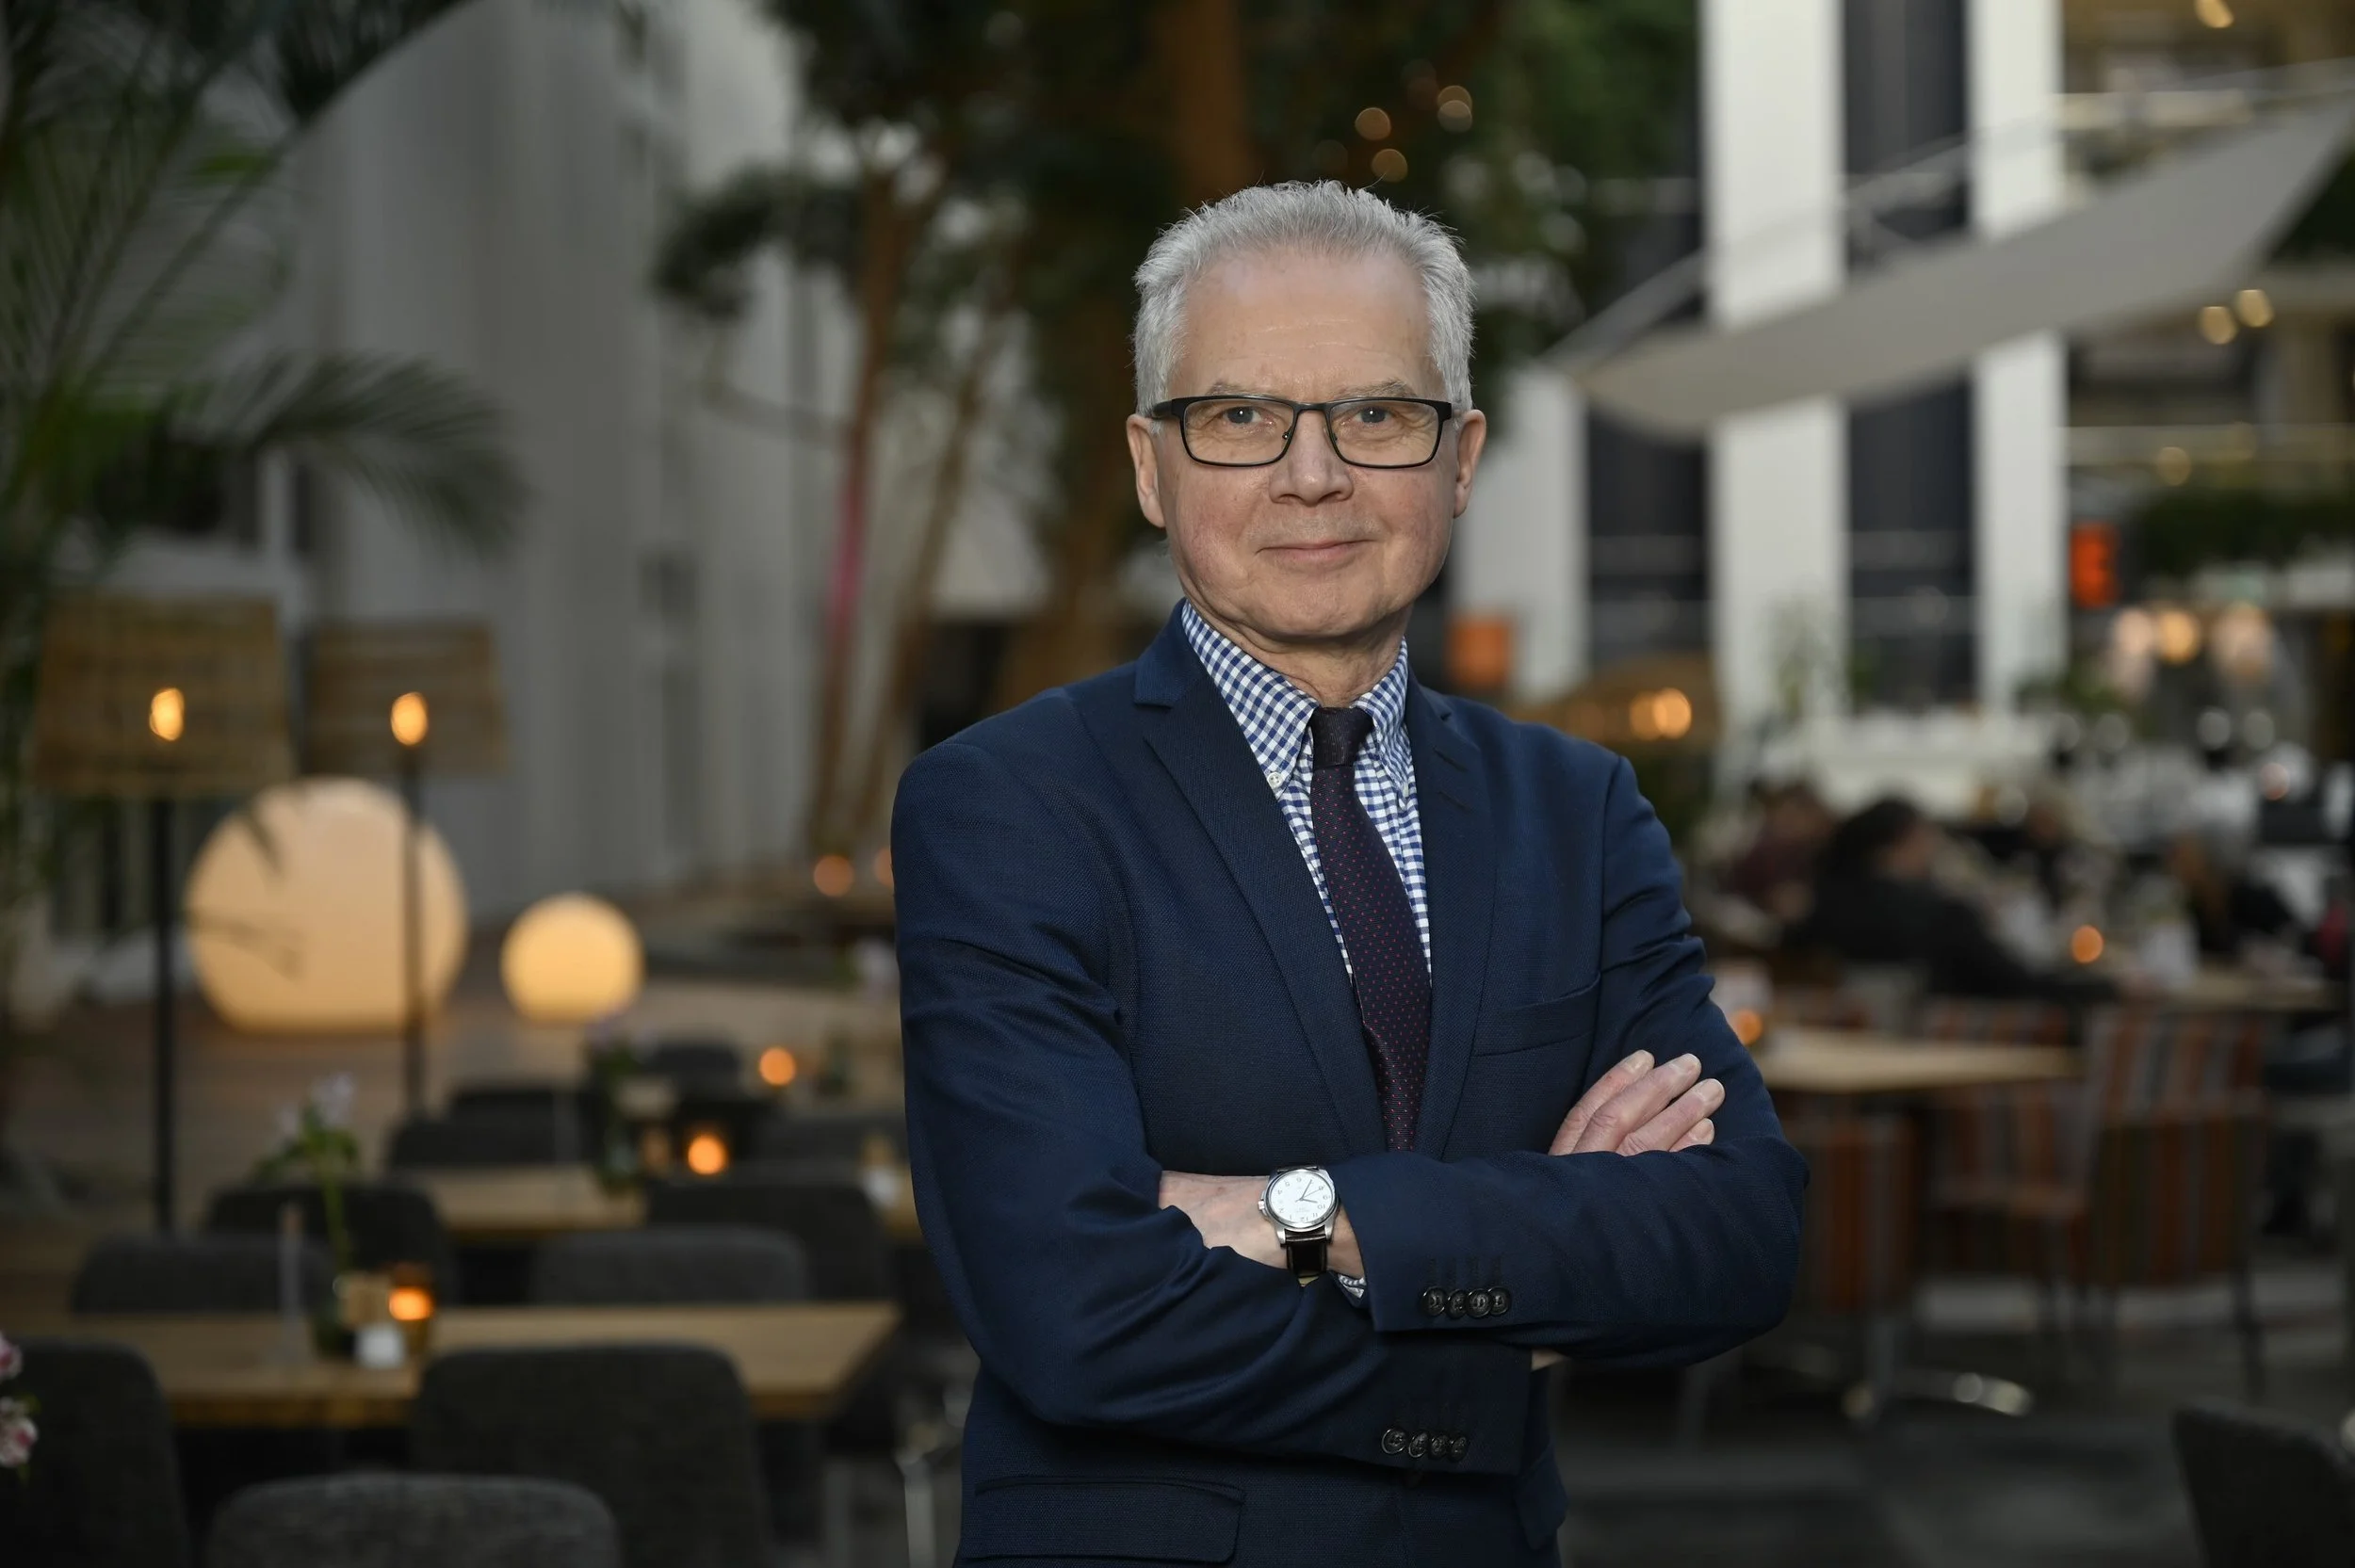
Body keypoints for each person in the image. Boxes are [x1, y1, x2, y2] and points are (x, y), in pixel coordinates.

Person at [892, 183, 1804, 1565]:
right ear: (1152, 465)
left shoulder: (1576, 809)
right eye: (1241, 417)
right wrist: (1508, 1325)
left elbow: (1740, 1231)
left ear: (1461, 455)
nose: (1311, 475)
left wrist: (1297, 1217)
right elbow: (1070, 1312)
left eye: (1376, 415)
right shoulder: (1008, 805)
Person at [1791, 797, 2112, 1002]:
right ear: (1896, 846)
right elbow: (2017, 983)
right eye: (1928, 839)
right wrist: (2105, 990)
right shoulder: (1940, 915)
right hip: (1946, 1060)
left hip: (1846, 1053)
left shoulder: (1822, 908)